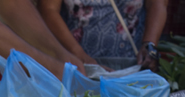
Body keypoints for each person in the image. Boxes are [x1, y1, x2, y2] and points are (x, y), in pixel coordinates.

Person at [38, 0, 168, 71]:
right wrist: (79, 55)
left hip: (132, 63)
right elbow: (48, 9)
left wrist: (149, 44)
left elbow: (158, 3)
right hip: (77, 64)